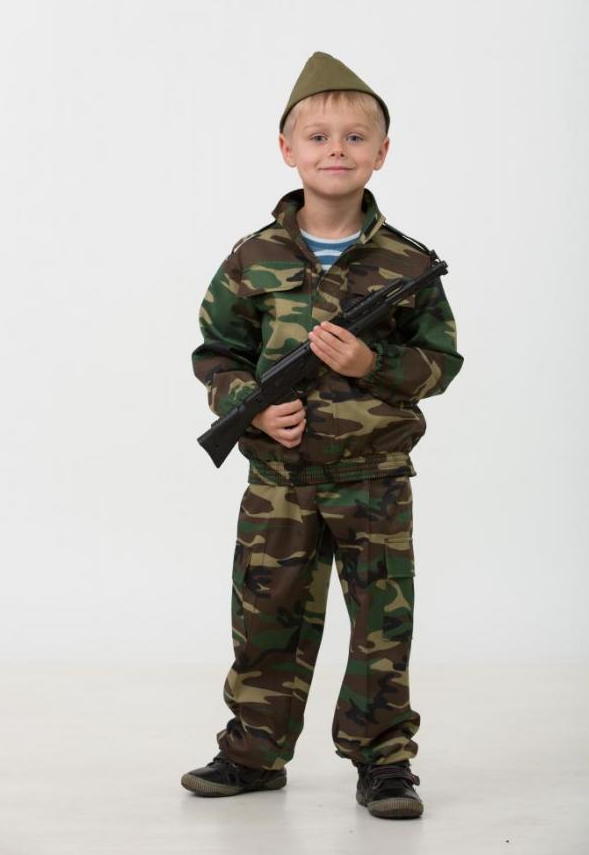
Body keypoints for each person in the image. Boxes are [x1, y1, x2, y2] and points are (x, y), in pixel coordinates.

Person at [183, 51, 464, 819]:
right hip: (279, 481)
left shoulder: (408, 264)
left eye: (355, 137)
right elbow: (217, 351)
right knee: (265, 619)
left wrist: (373, 362)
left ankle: (385, 764)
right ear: (288, 150)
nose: (336, 149)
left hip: (374, 478)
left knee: (381, 629)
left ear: (381, 152)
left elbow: (442, 363)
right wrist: (250, 407)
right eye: (318, 136)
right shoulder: (253, 259)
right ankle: (252, 753)